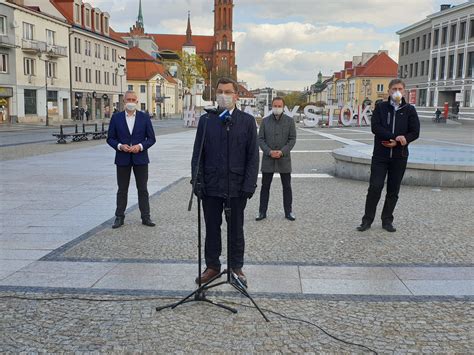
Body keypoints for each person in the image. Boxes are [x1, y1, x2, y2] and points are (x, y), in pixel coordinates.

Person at [191, 77, 259, 287]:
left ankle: (236, 266)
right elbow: (197, 154)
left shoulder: (246, 121)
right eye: (220, 91)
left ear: (236, 95)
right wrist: (197, 181)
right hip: (211, 185)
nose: (223, 95)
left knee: (236, 229)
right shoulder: (207, 120)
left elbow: (252, 157)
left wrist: (249, 186)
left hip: (237, 187)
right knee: (212, 228)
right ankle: (212, 266)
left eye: (228, 92)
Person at [357, 79, 420, 233]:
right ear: (389, 91)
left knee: (393, 190)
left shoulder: (409, 109)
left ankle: (387, 220)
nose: (396, 91)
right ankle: (367, 220)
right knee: (375, 187)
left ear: (404, 91)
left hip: (400, 156)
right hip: (381, 155)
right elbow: (376, 128)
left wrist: (402, 141)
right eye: (394, 89)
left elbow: (415, 132)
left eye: (399, 89)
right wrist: (393, 137)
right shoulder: (381, 107)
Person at [107, 90, 157, 229]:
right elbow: (110, 138)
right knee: (122, 189)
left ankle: (146, 217)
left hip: (140, 158)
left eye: (133, 100)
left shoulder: (144, 117)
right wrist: (119, 146)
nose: (130, 102)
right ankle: (119, 217)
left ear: (136, 101)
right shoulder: (116, 118)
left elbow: (151, 139)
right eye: (128, 99)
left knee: (143, 189)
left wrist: (140, 146)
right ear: (124, 101)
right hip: (122, 158)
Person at [256, 97, 297, 221]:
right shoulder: (265, 121)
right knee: (265, 187)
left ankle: (288, 211)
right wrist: (269, 151)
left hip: (284, 159)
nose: (277, 108)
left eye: (279, 106)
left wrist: (282, 152)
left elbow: (292, 139)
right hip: (268, 159)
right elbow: (260, 139)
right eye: (275, 105)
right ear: (271, 106)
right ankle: (262, 212)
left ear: (283, 107)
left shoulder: (290, 121)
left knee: (287, 186)